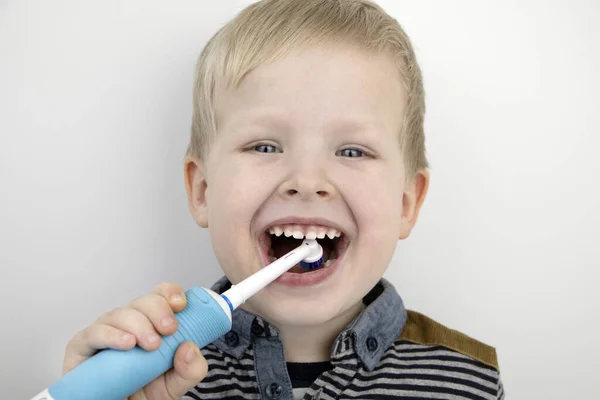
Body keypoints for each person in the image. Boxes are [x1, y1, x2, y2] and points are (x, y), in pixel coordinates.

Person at [62, 0, 505, 398]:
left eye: (352, 151)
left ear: (407, 203)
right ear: (202, 190)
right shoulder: (143, 379)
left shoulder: (469, 381)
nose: (307, 181)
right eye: (265, 147)